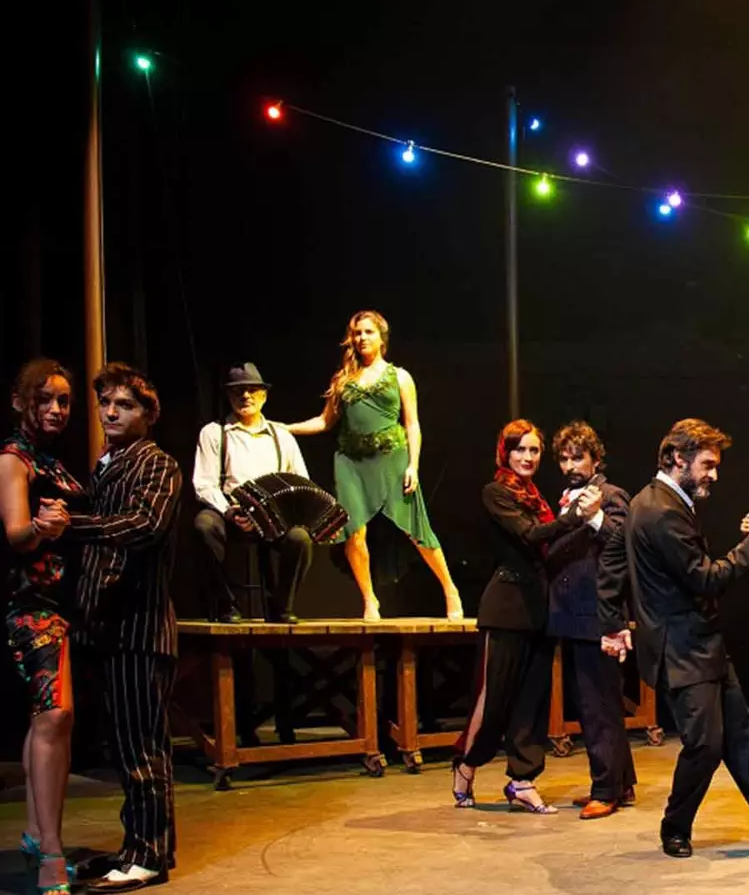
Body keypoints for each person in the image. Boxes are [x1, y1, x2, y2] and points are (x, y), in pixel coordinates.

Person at [596, 418, 749, 859]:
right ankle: (674, 827)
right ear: (677, 458)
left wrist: (612, 620)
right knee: (706, 745)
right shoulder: (661, 510)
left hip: (702, 646)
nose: (714, 475)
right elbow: (705, 579)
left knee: (743, 744)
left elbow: (615, 563)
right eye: (707, 464)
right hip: (682, 650)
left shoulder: (655, 501)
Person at [64, 363, 183, 892]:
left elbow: (145, 525)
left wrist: (71, 525)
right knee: (126, 748)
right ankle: (138, 847)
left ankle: (149, 857)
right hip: (111, 628)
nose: (111, 412)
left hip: (141, 629)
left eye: (125, 405)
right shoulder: (107, 464)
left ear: (148, 414)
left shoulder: (157, 464)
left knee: (142, 749)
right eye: (106, 403)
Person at [451, 421, 601, 813]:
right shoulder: (496, 492)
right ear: (506, 452)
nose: (528, 457)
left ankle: (522, 780)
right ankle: (466, 764)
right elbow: (530, 534)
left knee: (532, 703)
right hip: (505, 608)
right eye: (520, 449)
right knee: (493, 698)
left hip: (539, 610)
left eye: (534, 450)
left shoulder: (537, 496)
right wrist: (575, 516)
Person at [287, 310, 461, 620]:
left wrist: (413, 466)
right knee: (354, 531)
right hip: (351, 463)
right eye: (357, 333)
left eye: (368, 332)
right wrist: (285, 428)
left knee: (416, 528)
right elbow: (325, 422)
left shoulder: (400, 377)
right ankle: (369, 599)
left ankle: (449, 589)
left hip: (392, 457)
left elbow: (412, 424)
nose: (361, 338)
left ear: (382, 338)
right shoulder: (343, 379)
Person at [2, 359, 84, 894]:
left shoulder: (50, 458)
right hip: (30, 605)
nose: (56, 409)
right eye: (45, 399)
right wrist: (40, 526)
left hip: (59, 603)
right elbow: (15, 533)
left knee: (51, 720)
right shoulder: (14, 458)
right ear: (20, 403)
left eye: (64, 401)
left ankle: (37, 833)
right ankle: (51, 851)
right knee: (54, 716)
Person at [544, 421, 637, 819]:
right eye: (564, 459)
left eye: (578, 457)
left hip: (598, 615)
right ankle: (621, 783)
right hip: (575, 614)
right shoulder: (568, 498)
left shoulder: (611, 495)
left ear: (596, 459)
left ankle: (606, 789)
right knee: (596, 704)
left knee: (598, 705)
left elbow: (624, 541)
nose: (570, 466)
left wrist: (595, 515)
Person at [192, 362, 312, 623]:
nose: (245, 396)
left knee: (300, 538)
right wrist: (229, 511)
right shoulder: (214, 433)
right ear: (229, 396)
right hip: (231, 513)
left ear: (264, 396)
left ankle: (282, 606)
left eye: (252, 390)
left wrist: (290, 511)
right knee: (204, 525)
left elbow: (301, 482)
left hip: (274, 517)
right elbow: (204, 483)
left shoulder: (282, 437)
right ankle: (226, 604)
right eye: (238, 391)